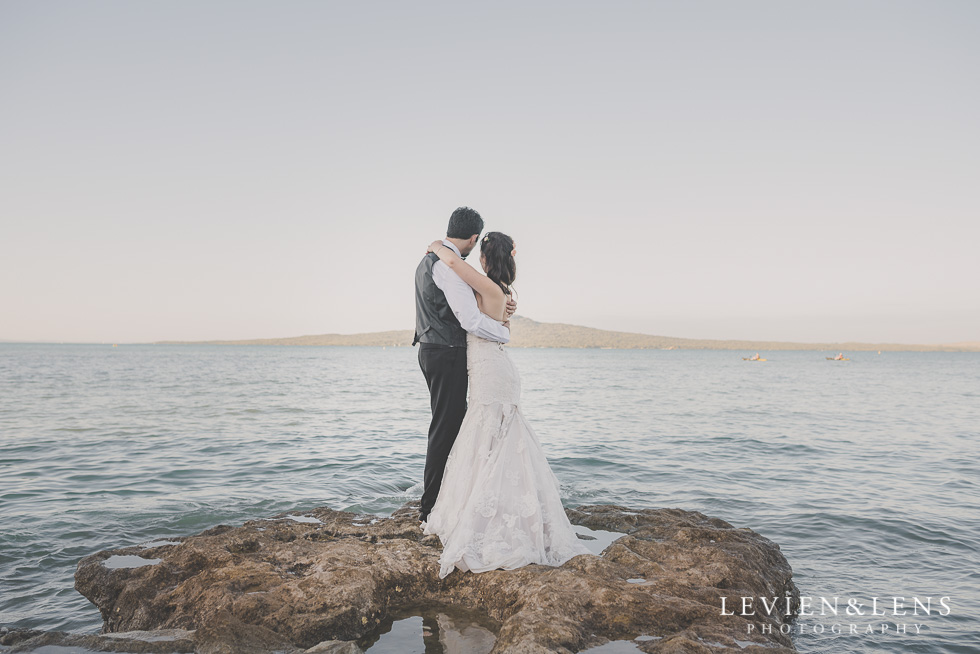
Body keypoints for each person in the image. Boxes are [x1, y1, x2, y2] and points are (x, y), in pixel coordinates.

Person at [421, 231, 592, 578]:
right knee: (496, 440)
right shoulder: (500, 292)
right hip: (497, 370)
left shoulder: (485, 286)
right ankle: (505, 508)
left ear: (485, 259)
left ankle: (487, 515)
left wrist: (436, 246)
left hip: (490, 372)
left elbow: (452, 262)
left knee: (487, 436)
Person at [412, 208, 516, 524]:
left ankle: (448, 497)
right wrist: (504, 331)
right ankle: (430, 507)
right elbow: (470, 319)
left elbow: (475, 301)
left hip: (435, 349)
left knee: (454, 426)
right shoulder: (446, 266)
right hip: (447, 352)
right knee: (446, 428)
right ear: (472, 239)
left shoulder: (432, 261)